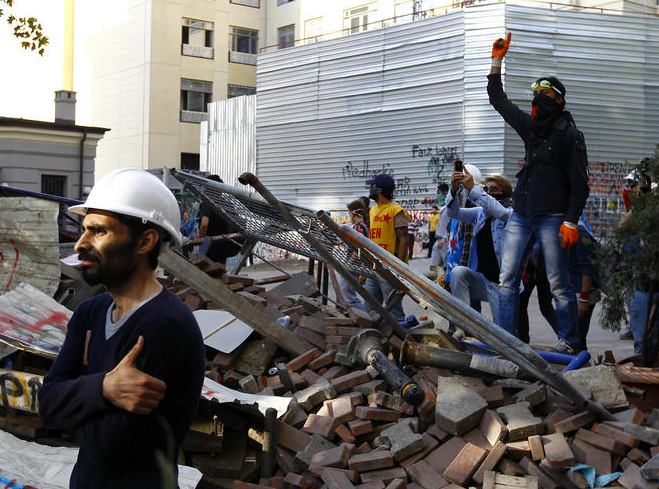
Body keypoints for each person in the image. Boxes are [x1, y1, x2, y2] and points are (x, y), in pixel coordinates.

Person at [38, 168, 206, 489]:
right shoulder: (90, 312)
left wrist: (74, 397)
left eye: (98, 232)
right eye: (83, 230)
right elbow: (47, 407)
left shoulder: (165, 326)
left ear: (144, 241)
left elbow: (105, 446)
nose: (80, 245)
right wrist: (103, 388)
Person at [489, 33, 590, 354]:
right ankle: (506, 340)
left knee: (560, 284)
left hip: (552, 217)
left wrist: (571, 222)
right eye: (536, 93)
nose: (539, 98)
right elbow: (498, 100)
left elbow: (581, 184)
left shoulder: (570, 136)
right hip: (522, 213)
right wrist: (496, 61)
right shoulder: (531, 128)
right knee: (507, 280)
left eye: (546, 93)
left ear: (560, 100)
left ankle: (571, 343)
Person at [445, 169, 513, 322]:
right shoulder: (480, 213)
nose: (488, 192)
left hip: (502, 285)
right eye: (486, 189)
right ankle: (465, 323)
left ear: (506, 192)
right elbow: (453, 212)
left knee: (503, 333)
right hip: (483, 280)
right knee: (459, 272)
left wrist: (473, 190)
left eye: (493, 189)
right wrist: (454, 189)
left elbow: (499, 212)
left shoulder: (512, 213)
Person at [364, 173, 410, 321]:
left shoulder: (396, 211)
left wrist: (398, 268)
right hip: (374, 266)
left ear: (379, 190)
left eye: (372, 186)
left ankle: (402, 339)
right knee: (370, 308)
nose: (369, 189)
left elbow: (403, 239)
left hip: (390, 269)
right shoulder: (372, 211)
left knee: (394, 311)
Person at [198, 174, 243, 265]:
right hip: (226, 244)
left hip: (211, 245)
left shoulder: (208, 203)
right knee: (219, 271)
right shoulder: (227, 204)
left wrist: (200, 242)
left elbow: (204, 224)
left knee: (207, 271)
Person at [340, 199, 369, 311]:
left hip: (353, 264)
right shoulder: (364, 226)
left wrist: (349, 263)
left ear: (352, 213)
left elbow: (358, 248)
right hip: (356, 264)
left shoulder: (358, 227)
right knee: (346, 292)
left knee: (348, 296)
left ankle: (364, 314)